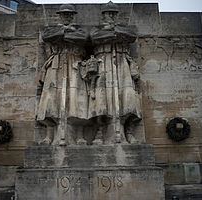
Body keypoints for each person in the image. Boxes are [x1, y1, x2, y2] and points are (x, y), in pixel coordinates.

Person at [89, 1, 141, 144]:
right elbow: (94, 38)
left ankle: (127, 130)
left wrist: (115, 31)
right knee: (100, 100)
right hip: (102, 62)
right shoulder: (96, 30)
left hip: (121, 62)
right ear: (103, 15)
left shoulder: (123, 29)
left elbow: (131, 35)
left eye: (113, 13)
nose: (110, 16)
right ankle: (100, 131)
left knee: (127, 98)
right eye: (108, 13)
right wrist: (112, 33)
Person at [36, 4, 88, 145]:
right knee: (51, 101)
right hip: (56, 65)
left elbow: (83, 38)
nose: (67, 17)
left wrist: (66, 35)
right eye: (64, 14)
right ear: (59, 15)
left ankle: (79, 136)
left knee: (78, 101)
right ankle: (49, 136)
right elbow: (48, 36)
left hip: (74, 63)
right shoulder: (52, 30)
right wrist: (64, 32)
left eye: (70, 14)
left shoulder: (79, 30)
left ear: (73, 16)